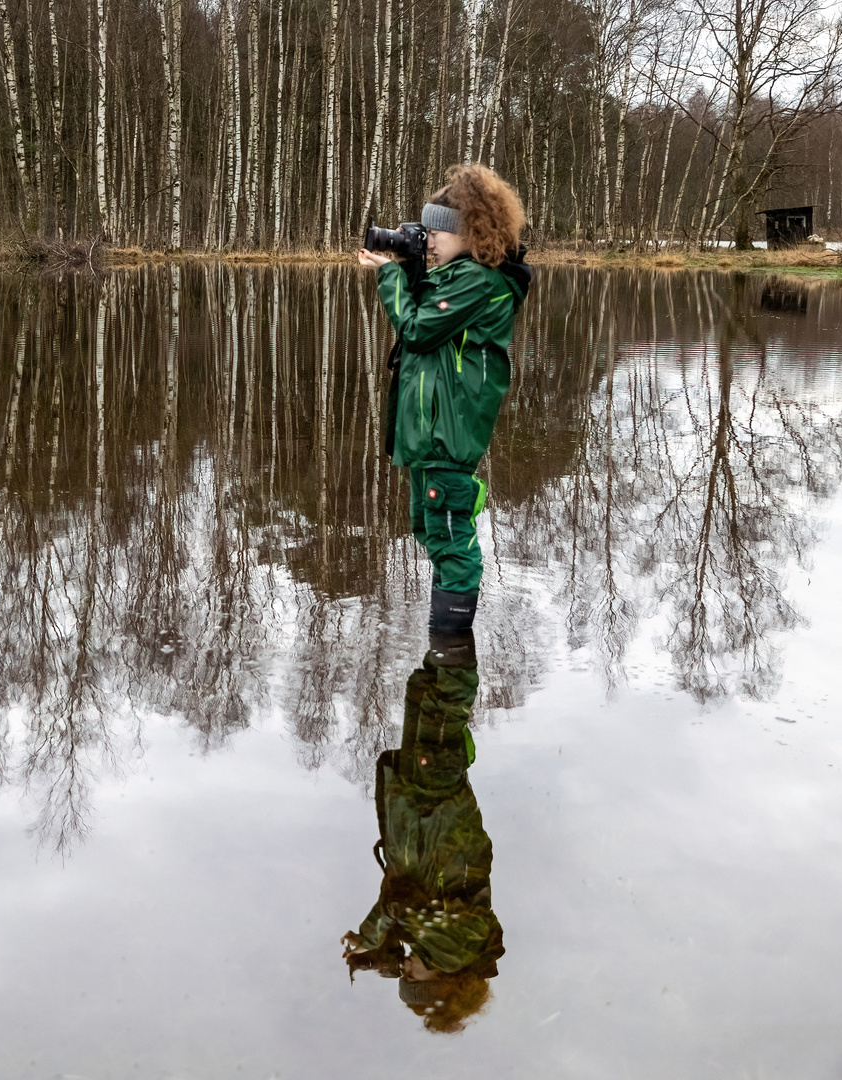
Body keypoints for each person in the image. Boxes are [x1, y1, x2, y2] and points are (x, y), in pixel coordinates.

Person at [358, 164, 532, 633]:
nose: (429, 240)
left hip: (449, 432)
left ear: (470, 232)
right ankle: (444, 664)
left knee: (451, 540)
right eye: (427, 231)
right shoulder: (456, 276)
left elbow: (416, 329)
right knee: (433, 530)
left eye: (437, 231)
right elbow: (425, 326)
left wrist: (391, 278)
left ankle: (451, 657)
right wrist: (410, 267)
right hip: (430, 430)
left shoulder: (482, 281)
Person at [341, 628, 502, 1034]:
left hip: (418, 799)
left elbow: (402, 904)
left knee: (424, 689)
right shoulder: (460, 951)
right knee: (446, 700)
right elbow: (411, 907)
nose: (406, 971)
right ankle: (458, 585)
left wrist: (376, 942)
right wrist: (385, 940)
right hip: (438, 805)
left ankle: (447, 611)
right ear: (445, 981)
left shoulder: (435, 944)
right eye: (413, 977)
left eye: (404, 975)